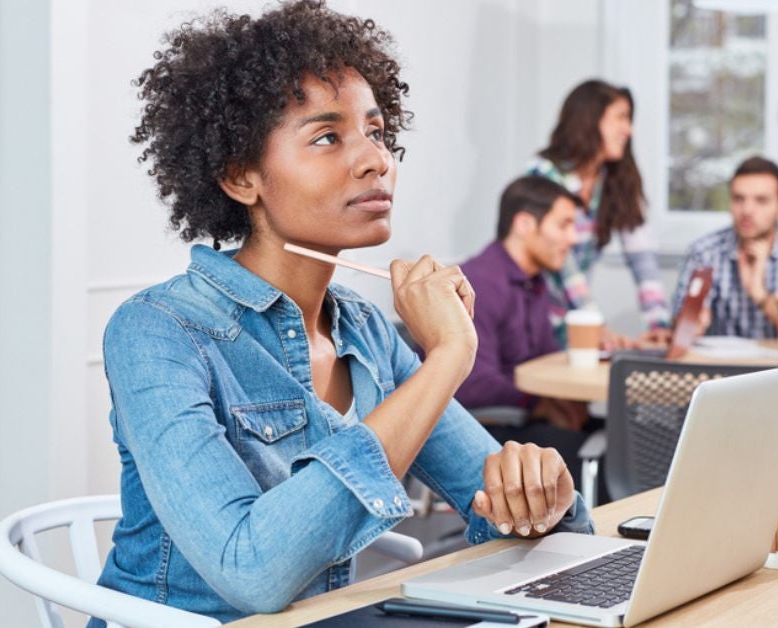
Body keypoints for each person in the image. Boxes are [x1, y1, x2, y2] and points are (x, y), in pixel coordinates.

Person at [93, 3, 592, 622]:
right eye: (328, 137)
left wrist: (545, 498)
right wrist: (451, 356)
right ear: (240, 176)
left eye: (378, 133)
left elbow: (496, 514)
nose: (375, 160)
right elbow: (251, 573)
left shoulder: (367, 332)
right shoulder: (158, 330)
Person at [456, 176, 592, 485]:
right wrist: (538, 404)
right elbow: (470, 384)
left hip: (523, 420)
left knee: (626, 442)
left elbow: (546, 358)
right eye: (564, 225)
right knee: (607, 459)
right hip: (489, 428)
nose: (573, 238)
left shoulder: (534, 282)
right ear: (525, 224)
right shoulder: (480, 283)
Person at [527, 79, 670, 348]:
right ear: (590, 119)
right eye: (621, 118)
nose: (629, 130)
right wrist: (594, 323)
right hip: (536, 316)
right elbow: (563, 264)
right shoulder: (544, 174)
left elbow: (642, 256)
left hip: (577, 318)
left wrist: (658, 323)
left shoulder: (613, 180)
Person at [671, 156, 778, 341]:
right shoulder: (704, 252)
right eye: (738, 199)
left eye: (761, 200)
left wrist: (760, 294)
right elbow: (679, 327)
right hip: (726, 368)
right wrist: (691, 323)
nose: (747, 210)